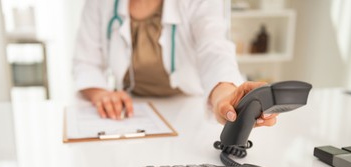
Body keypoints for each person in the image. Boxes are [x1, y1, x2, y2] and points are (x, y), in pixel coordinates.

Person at [73, 0, 277, 126]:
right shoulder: (99, 3)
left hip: (189, 107)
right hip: (130, 110)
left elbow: (214, 48)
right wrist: (101, 94)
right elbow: (85, 62)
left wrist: (224, 95)